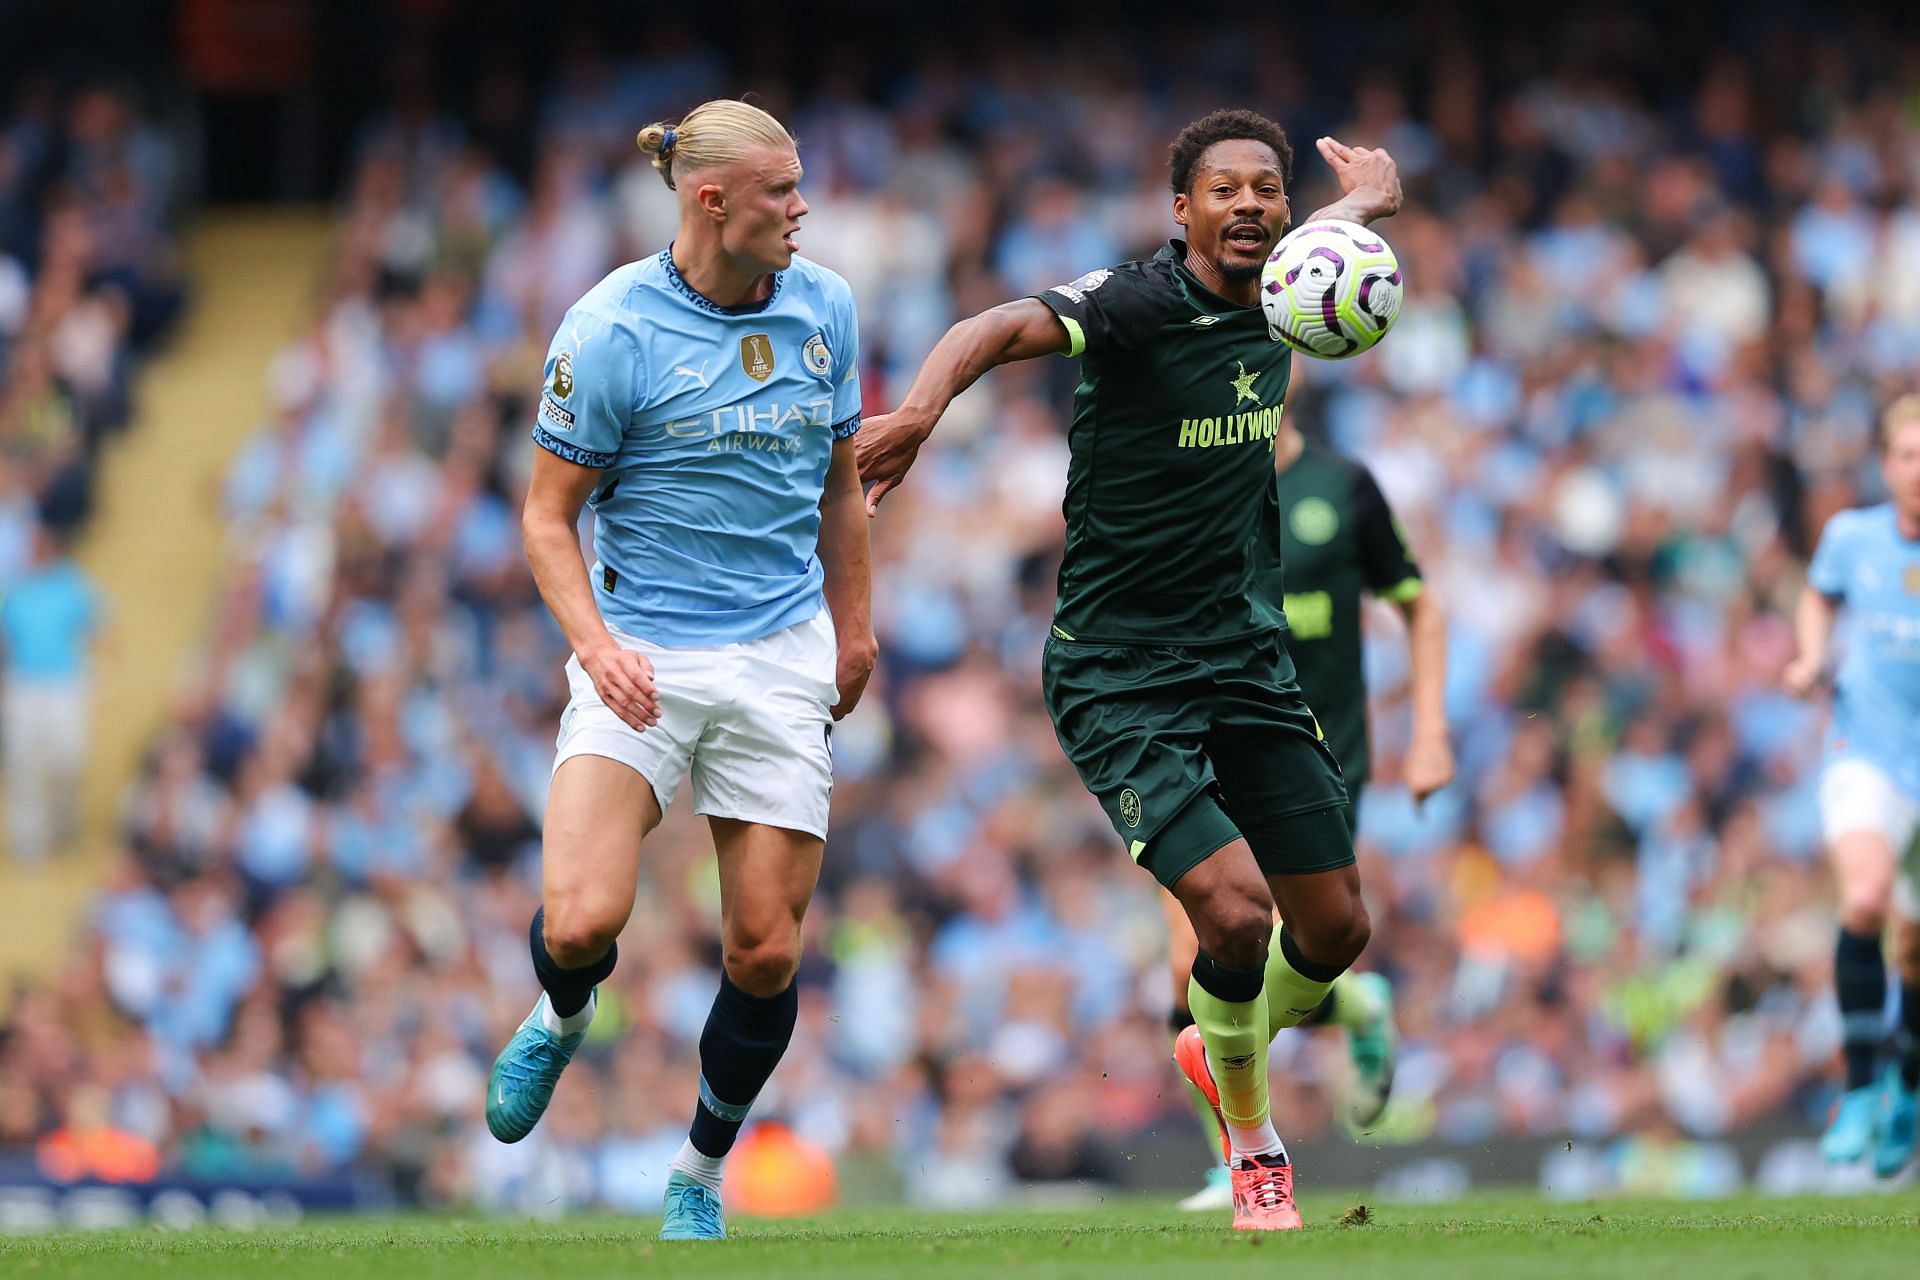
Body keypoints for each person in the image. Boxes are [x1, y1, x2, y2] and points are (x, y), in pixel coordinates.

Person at [858, 108, 1401, 1231]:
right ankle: (1255, 1145)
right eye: (1224, 188)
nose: (1249, 203)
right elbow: (997, 324)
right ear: (1182, 210)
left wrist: (1372, 200)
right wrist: (918, 409)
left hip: (1244, 653)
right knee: (1236, 918)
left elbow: (1343, 217)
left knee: (1338, 929)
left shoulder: (1297, 284)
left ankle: (1219, 1043)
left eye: (1269, 188)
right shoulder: (1136, 303)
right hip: (1117, 669)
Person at [482, 98, 876, 1243]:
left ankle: (701, 1168)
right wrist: (597, 644)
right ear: (712, 202)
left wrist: (855, 627)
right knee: (578, 918)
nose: (802, 210)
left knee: (764, 945)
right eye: (779, 193)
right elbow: (549, 518)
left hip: (780, 651)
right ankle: (562, 1015)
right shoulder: (610, 328)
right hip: (644, 648)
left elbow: (842, 486)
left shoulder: (827, 308)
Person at [1165, 414, 1453, 1212]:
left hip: (1317, 760)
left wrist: (1429, 732)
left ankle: (1353, 1004)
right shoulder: (1193, 477)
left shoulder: (1342, 486)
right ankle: (1236, 1158)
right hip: (1210, 745)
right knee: (1196, 950)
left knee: (1308, 940)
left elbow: (1420, 607)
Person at [1783, 393, 1920, 1179]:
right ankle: (1863, 1084)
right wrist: (1810, 657)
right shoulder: (1852, 537)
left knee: (1916, 950)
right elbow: (1819, 593)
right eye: (1908, 456)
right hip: (1865, 749)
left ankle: (1907, 1081)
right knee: (1865, 898)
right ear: (1887, 463)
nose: (1919, 471)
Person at [0, 525, 105, 863]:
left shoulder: (71, 583)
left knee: (68, 757)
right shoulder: (13, 587)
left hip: (64, 682)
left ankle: (64, 819)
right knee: (24, 763)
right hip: (23, 683)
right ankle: (29, 840)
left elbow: (95, 625)